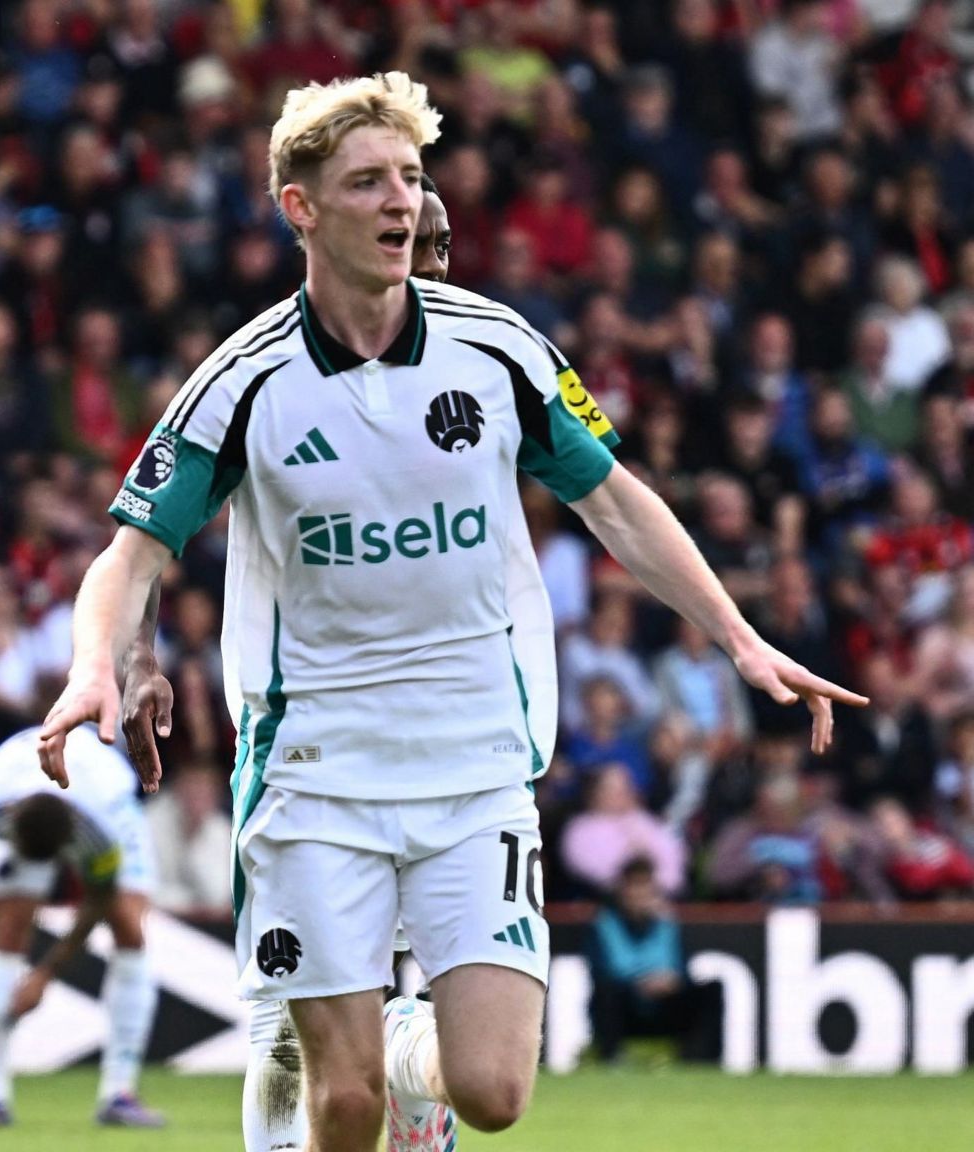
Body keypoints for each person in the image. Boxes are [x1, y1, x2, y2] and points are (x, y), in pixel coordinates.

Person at [43, 72, 861, 1152]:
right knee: (334, 1107)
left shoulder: (500, 350)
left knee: (492, 1092)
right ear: (300, 207)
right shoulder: (241, 382)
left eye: (410, 178)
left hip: (474, 762)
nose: (400, 202)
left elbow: (616, 501)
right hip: (314, 771)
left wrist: (740, 638)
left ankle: (397, 1046)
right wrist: (92, 667)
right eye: (367, 181)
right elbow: (129, 554)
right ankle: (358, 1054)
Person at [0, 724, 163, 1130]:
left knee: (130, 931)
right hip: (31, 785)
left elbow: (97, 900)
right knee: (7, 927)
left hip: (109, 800)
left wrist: (45, 974)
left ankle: (119, 1093)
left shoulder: (99, 829)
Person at [586, 858, 722, 1064]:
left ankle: (700, 1061)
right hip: (625, 1005)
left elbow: (683, 970)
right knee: (606, 993)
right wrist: (639, 983)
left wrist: (670, 981)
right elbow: (601, 971)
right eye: (634, 887)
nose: (639, 895)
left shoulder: (667, 923)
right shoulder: (604, 923)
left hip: (664, 1002)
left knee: (712, 989)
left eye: (645, 887)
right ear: (622, 891)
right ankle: (611, 1058)